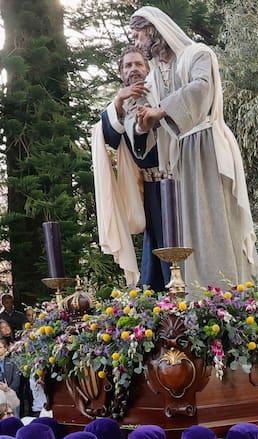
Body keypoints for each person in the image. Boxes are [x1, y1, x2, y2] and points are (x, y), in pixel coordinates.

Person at [128, 7, 258, 287]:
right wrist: (143, 123)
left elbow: (202, 89)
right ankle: (196, 291)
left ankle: (227, 288)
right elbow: (146, 123)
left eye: (139, 34)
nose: (137, 42)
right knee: (188, 228)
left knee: (214, 219)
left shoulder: (197, 54)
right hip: (180, 156)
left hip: (207, 147)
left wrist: (161, 111)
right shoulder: (153, 77)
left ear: (153, 30)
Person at [92, 43, 171, 289]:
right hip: (148, 187)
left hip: (175, 183)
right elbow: (109, 138)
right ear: (121, 73)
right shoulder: (121, 104)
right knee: (156, 245)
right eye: (128, 65)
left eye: (138, 64)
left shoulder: (163, 90)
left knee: (177, 243)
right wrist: (118, 101)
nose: (133, 69)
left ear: (148, 67)